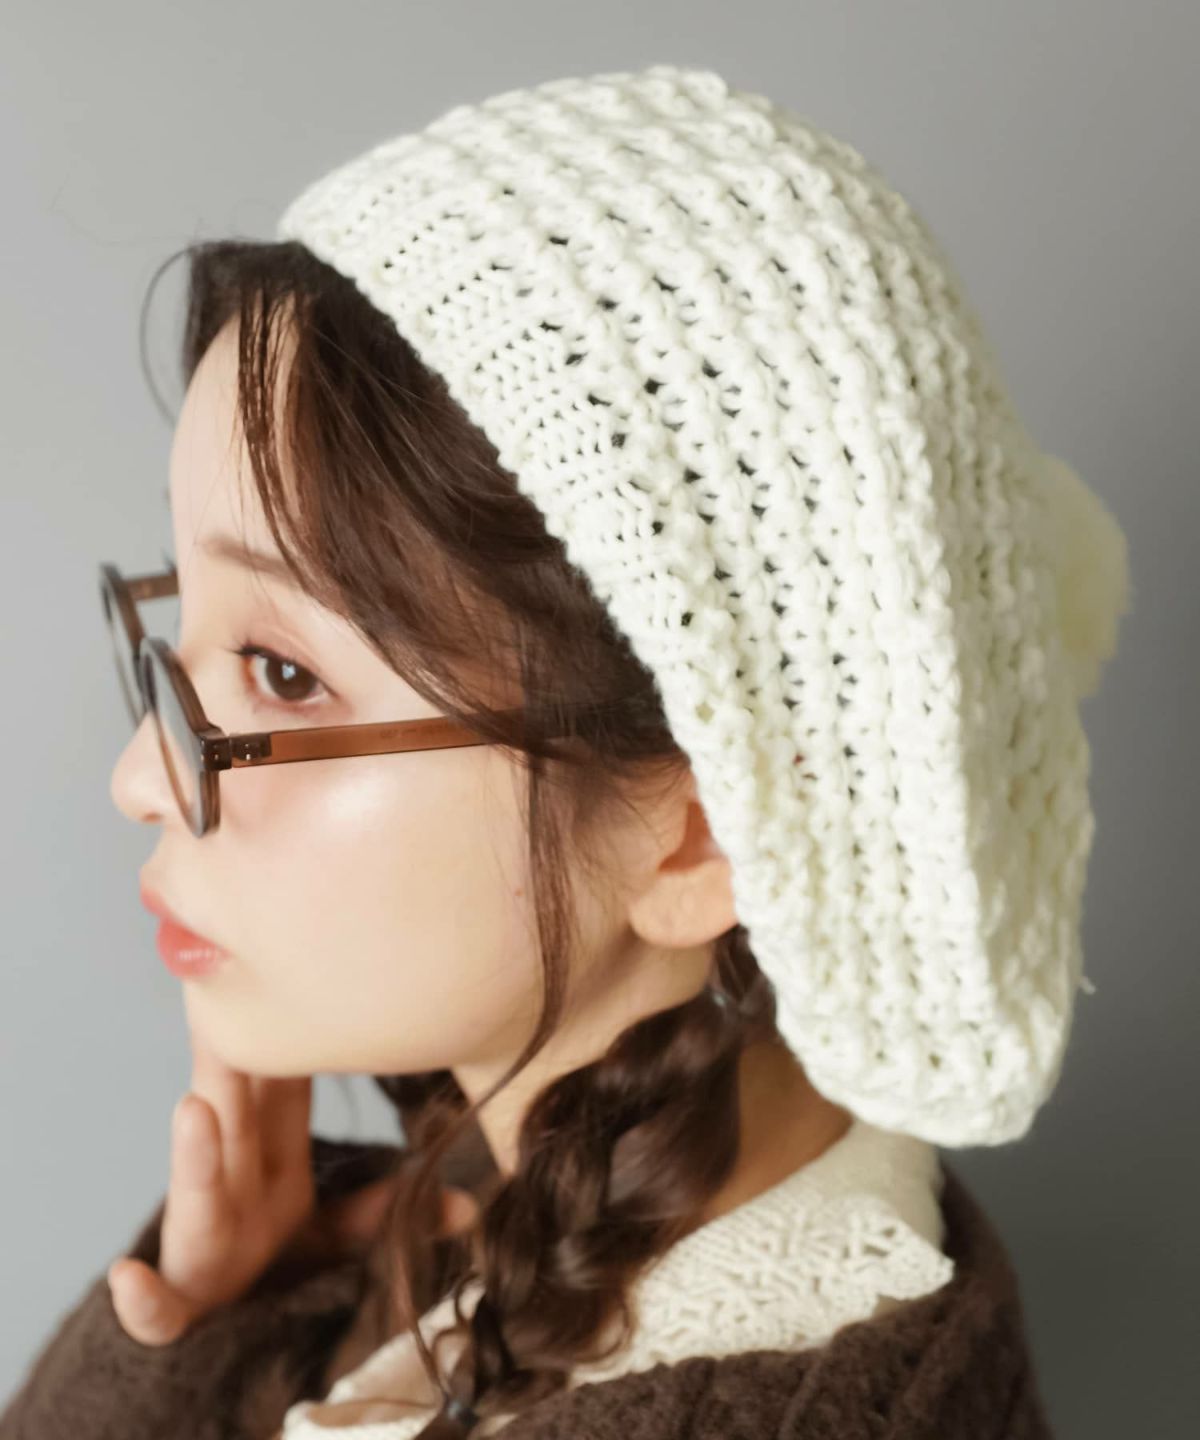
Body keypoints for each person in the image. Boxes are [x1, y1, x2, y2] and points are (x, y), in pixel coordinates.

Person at [0, 62, 1130, 1440]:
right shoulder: (482, 1232)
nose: (140, 777)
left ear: (706, 827)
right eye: (186, 619)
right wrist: (210, 1333)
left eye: (285, 673)